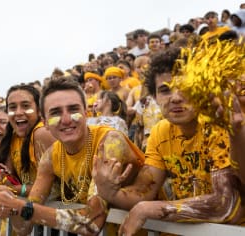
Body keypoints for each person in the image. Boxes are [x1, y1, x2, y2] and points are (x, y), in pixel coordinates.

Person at [0, 76, 144, 235]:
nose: (66, 119)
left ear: (86, 113)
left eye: (73, 110)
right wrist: (9, 206)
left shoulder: (109, 142)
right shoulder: (51, 156)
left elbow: (90, 223)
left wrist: (19, 206)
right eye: (56, 113)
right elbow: (24, 227)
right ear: (46, 122)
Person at [93, 47, 243, 236]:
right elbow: (144, 191)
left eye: (187, 88)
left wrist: (150, 209)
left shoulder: (218, 125)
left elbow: (228, 206)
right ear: (155, 97)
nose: (176, 98)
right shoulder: (160, 131)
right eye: (165, 90)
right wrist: (109, 192)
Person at [0, 83, 56, 197]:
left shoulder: (41, 133)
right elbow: (9, 181)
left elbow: (53, 190)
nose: (18, 112)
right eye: (12, 107)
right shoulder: (13, 137)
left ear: (39, 111)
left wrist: (16, 189)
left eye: (26, 106)